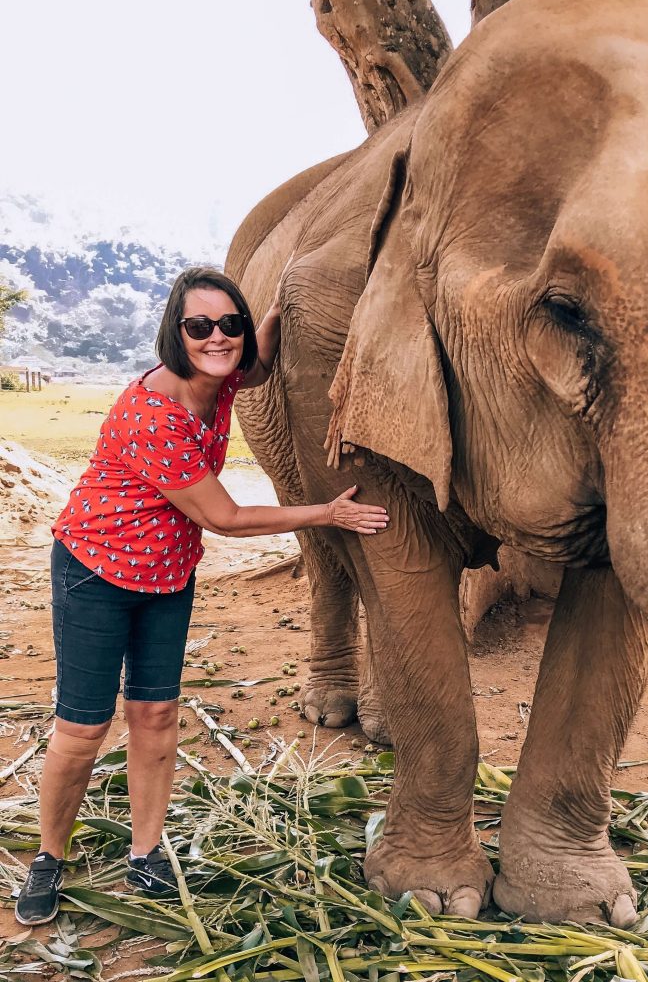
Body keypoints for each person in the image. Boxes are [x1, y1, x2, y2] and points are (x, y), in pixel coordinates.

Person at [15, 267, 388, 926]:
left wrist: (272, 318)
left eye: (229, 324)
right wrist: (325, 515)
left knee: (155, 718)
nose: (216, 338)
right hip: (94, 572)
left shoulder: (221, 380)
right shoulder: (154, 414)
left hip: (165, 575)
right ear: (174, 332)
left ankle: (146, 851)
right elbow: (226, 518)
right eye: (199, 326)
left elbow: (258, 367)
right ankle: (49, 856)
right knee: (83, 728)